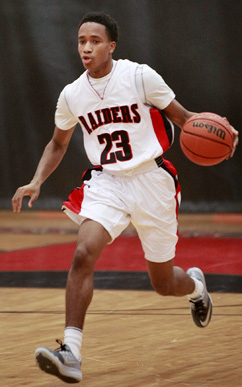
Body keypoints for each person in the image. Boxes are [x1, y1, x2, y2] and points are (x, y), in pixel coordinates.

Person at [12, 12, 238, 384]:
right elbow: (58, 142)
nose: (86, 47)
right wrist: (36, 180)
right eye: (82, 41)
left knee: (164, 284)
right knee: (84, 252)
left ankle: (196, 286)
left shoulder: (139, 76)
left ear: (111, 45)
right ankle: (71, 352)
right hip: (108, 182)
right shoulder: (72, 94)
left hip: (152, 181)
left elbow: (184, 119)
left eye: (95, 41)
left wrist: (222, 131)